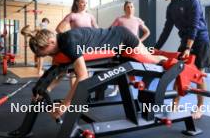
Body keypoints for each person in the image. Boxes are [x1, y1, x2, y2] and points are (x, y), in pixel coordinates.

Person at [21, 25, 167, 119]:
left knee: (150, 61)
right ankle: (153, 55)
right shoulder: (60, 46)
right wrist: (45, 90)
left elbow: (82, 76)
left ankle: (167, 60)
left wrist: (65, 105)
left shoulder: (69, 42)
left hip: (124, 38)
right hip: (114, 40)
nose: (48, 56)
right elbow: (60, 72)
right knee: (144, 59)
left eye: (45, 53)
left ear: (51, 43)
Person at [155, 0, 210, 119]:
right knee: (178, 72)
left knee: (198, 75)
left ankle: (199, 108)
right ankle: (175, 105)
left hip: (199, 40)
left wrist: (188, 48)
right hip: (186, 40)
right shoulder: (171, 7)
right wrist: (155, 48)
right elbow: (166, 30)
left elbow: (194, 25)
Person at [109, 0, 150, 96]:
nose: (130, 9)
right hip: (122, 46)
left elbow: (147, 32)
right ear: (124, 9)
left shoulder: (137, 20)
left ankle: (133, 83)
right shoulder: (119, 19)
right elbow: (110, 30)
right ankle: (116, 88)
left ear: (134, 8)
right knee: (118, 65)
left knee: (132, 65)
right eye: (128, 7)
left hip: (134, 46)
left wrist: (139, 41)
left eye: (131, 7)